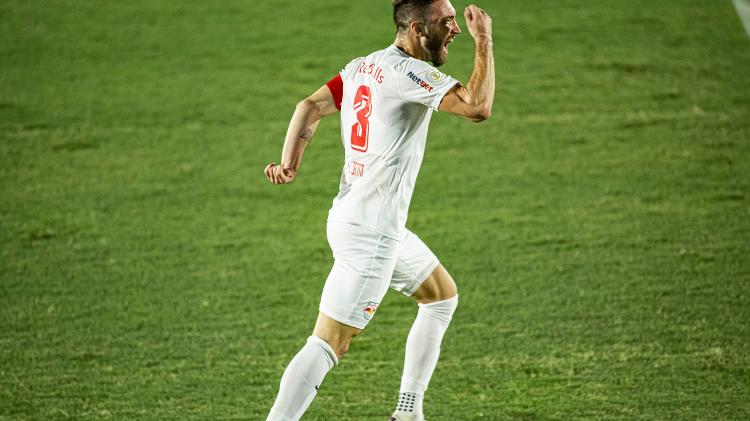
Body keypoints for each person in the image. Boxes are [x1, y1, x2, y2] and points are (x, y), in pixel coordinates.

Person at [263, 1, 494, 419]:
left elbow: (307, 107)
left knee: (441, 297)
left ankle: (408, 411)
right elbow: (477, 105)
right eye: (447, 22)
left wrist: (289, 164)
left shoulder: (362, 67)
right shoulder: (412, 73)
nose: (457, 29)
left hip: (353, 216)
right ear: (418, 28)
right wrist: (485, 40)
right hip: (373, 234)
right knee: (330, 342)